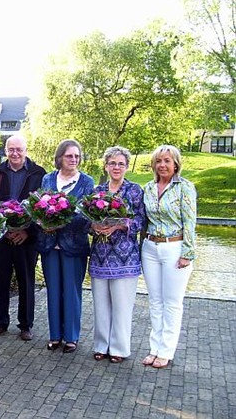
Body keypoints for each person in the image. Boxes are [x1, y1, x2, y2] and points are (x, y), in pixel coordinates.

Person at [0, 135, 46, 341]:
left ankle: (26, 325)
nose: (15, 153)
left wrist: (27, 232)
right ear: (5, 150)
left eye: (19, 149)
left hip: (27, 239)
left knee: (26, 281)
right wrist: (3, 230)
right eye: (11, 149)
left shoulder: (39, 174)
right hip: (2, 238)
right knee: (0, 280)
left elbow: (44, 208)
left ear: (26, 150)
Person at [88, 146, 146, 363]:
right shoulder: (97, 191)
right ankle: (101, 345)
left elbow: (141, 221)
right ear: (106, 165)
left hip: (125, 258)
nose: (116, 167)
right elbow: (86, 221)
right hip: (100, 256)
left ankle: (119, 349)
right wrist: (94, 226)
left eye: (121, 163)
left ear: (127, 166)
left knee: (122, 307)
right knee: (101, 305)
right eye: (112, 163)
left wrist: (120, 225)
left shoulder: (134, 190)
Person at [141, 145, 197, 369]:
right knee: (155, 301)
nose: (162, 165)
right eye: (159, 161)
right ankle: (154, 348)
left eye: (167, 161)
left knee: (172, 303)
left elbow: (190, 222)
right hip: (150, 248)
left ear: (176, 164)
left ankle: (166, 351)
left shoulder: (185, 187)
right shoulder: (148, 187)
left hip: (174, 248)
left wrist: (188, 253)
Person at [37, 139, 94, 353]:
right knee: (53, 290)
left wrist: (61, 221)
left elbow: (87, 214)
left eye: (77, 156)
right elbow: (40, 205)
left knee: (71, 290)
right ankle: (55, 335)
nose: (73, 159)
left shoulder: (86, 181)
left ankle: (71, 337)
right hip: (50, 243)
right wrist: (45, 222)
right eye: (69, 156)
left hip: (74, 243)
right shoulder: (48, 178)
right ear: (60, 157)